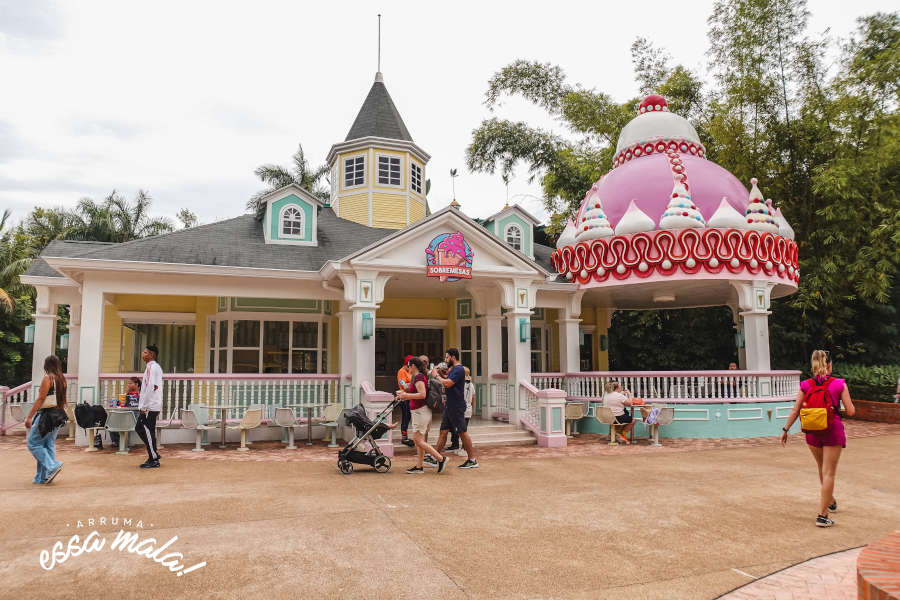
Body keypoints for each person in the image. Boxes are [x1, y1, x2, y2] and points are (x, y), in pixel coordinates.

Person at [781, 350, 856, 527]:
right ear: (829, 364)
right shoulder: (839, 384)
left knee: (822, 469)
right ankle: (822, 516)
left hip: (812, 433)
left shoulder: (806, 385)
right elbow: (851, 411)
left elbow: (796, 410)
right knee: (829, 472)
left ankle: (829, 501)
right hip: (832, 431)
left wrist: (785, 429)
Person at [430, 348, 478, 469]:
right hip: (449, 406)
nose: (445, 360)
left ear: (453, 357)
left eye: (447, 357)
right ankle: (437, 457)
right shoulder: (454, 370)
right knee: (443, 431)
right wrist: (441, 373)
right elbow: (447, 378)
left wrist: (436, 376)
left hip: (456, 406)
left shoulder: (459, 369)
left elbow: (448, 383)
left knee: (462, 432)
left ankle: (472, 459)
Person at [397, 357, 446, 474]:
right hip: (419, 412)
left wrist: (406, 396)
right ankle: (419, 466)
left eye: (409, 365)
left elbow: (422, 394)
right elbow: (415, 391)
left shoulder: (418, 377)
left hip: (420, 412)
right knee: (420, 441)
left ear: (413, 366)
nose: (408, 367)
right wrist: (402, 395)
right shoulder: (418, 377)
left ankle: (440, 458)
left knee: (417, 440)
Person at [24, 355, 67, 484]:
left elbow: (41, 398)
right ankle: (42, 477)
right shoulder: (62, 379)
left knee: (33, 443)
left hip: (48, 415)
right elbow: (62, 399)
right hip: (58, 414)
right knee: (47, 444)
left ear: (46, 365)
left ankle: (52, 466)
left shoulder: (48, 378)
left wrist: (30, 416)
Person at [136, 344, 163, 469]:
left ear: (152, 354)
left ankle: (153, 458)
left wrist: (144, 406)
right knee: (144, 429)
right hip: (152, 405)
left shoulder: (152, 367)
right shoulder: (152, 367)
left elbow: (151, 387)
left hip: (150, 406)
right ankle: (154, 453)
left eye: (145, 352)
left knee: (146, 430)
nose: (143, 354)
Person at [448, 367, 475, 453]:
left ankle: (463, 448)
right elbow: (473, 397)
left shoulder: (460, 384)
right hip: (468, 409)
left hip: (460, 408)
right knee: (464, 429)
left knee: (460, 430)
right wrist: (472, 407)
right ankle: (463, 448)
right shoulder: (471, 385)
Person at [109, 377, 140, 447]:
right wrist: (122, 401)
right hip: (126, 414)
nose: (128, 385)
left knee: (126, 422)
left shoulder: (141, 393)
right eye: (128, 383)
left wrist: (138, 394)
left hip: (135, 416)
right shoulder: (127, 394)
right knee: (111, 421)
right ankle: (117, 442)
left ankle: (123, 443)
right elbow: (123, 405)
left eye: (130, 383)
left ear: (136, 384)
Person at [396, 355, 414, 447]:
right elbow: (403, 384)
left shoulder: (410, 372)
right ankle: (404, 437)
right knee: (406, 416)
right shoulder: (401, 371)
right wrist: (411, 384)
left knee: (409, 417)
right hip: (404, 398)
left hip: (410, 397)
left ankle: (406, 436)